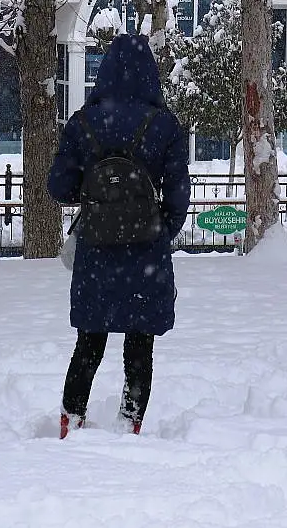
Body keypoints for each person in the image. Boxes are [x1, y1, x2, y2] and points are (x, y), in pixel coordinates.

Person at [48, 34, 191, 438]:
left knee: (89, 340)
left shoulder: (83, 122)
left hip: (96, 249)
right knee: (140, 341)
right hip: (145, 252)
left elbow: (59, 186)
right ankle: (131, 422)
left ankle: (71, 418)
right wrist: (160, 229)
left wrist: (98, 198)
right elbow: (178, 192)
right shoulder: (163, 125)